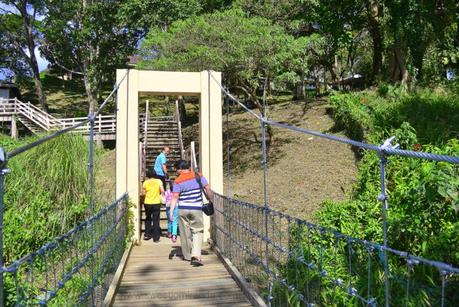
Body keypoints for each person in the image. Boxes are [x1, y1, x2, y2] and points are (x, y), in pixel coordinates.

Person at [170, 160, 213, 266]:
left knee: (184, 233)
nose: (177, 172)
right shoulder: (198, 176)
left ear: (179, 169)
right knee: (197, 231)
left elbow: (175, 197)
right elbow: (207, 189)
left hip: (183, 209)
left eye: (177, 169)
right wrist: (212, 200)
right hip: (196, 208)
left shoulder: (177, 181)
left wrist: (171, 211)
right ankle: (196, 255)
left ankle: (187, 256)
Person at [142, 169, 164, 242]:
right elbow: (162, 191)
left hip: (147, 202)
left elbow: (143, 193)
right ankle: (156, 238)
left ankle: (147, 234)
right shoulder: (159, 181)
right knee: (156, 220)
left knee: (148, 218)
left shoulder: (145, 182)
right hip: (156, 202)